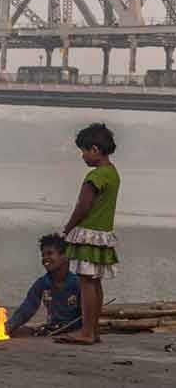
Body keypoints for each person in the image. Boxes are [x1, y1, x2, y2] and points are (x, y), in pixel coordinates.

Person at [55, 124, 120, 346]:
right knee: (96, 282)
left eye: (83, 151)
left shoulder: (96, 176)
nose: (82, 156)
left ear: (95, 149)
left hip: (88, 234)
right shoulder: (113, 173)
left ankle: (86, 332)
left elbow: (83, 207)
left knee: (86, 283)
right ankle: (94, 331)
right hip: (103, 234)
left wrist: (68, 227)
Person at [6, 234, 81, 337]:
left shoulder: (77, 283)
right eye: (43, 255)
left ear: (64, 256)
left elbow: (89, 313)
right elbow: (28, 307)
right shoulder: (42, 283)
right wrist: (10, 325)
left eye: (50, 253)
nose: (45, 258)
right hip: (52, 328)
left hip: (75, 330)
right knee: (15, 333)